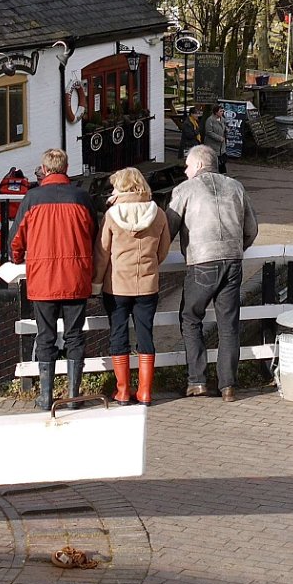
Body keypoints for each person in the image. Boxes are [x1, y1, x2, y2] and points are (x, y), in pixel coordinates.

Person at [168, 144, 259, 401]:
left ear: (198, 164)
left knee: (190, 317)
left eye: (187, 165)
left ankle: (197, 380)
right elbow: (252, 229)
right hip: (233, 260)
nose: (185, 170)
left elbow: (168, 228)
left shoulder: (185, 190)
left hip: (202, 261)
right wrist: (238, 248)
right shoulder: (236, 187)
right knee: (228, 324)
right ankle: (228, 385)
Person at [11, 148, 98, 411]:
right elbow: (93, 234)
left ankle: (46, 397)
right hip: (75, 277)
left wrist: (16, 258)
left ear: (45, 169)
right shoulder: (82, 197)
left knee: (45, 337)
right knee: (75, 336)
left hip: (44, 278)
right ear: (66, 168)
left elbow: (16, 239)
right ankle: (72, 396)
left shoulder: (32, 198)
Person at [96, 166, 171, 406]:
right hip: (147, 285)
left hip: (116, 286)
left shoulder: (111, 215)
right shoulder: (158, 213)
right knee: (145, 334)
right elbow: (163, 250)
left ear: (121, 187)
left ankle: (123, 391)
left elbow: (102, 253)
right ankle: (145, 392)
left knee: (118, 334)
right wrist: (150, 265)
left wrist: (96, 282)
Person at [202, 104, 228, 174]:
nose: (222, 113)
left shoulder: (222, 119)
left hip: (221, 146)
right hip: (212, 145)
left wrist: (226, 129)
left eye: (222, 111)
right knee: (213, 161)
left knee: (222, 161)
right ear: (216, 112)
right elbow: (209, 132)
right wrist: (219, 138)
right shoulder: (210, 120)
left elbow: (224, 126)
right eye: (220, 111)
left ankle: (223, 174)